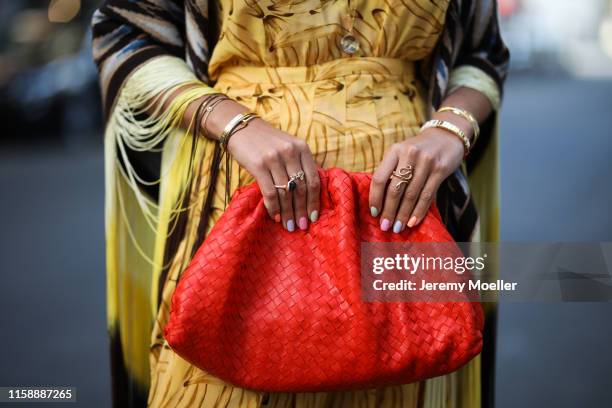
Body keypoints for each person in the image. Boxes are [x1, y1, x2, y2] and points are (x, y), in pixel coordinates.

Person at [92, 0, 508, 406]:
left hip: (407, 195)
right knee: (222, 370)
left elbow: (482, 51)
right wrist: (231, 122)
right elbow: (124, 33)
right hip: (245, 181)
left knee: (410, 362)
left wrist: (451, 129)